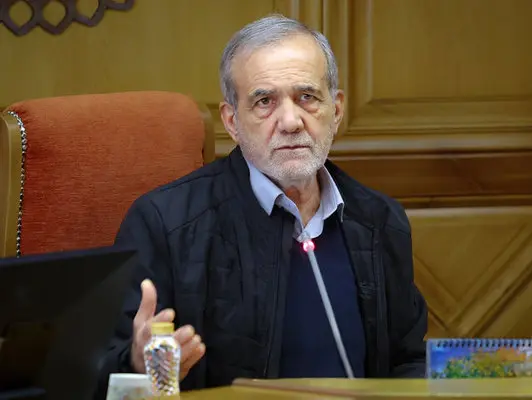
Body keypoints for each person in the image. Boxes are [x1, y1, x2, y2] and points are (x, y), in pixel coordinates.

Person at [96, 14, 428, 396]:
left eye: (307, 97)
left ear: (336, 111)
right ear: (232, 121)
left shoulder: (380, 220)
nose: (290, 121)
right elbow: (97, 375)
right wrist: (137, 365)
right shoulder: (164, 224)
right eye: (265, 101)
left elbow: (409, 361)